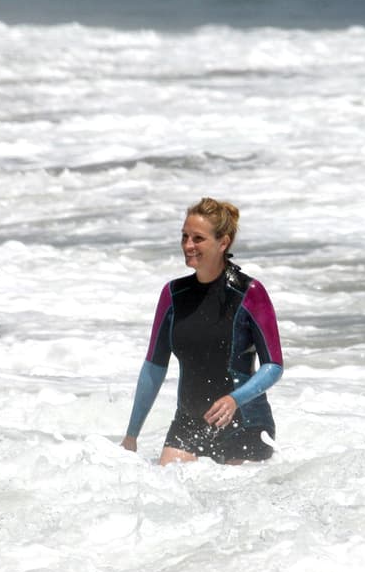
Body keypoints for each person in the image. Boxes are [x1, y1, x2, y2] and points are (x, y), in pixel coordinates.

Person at [121, 197, 283, 465]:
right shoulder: (172, 295)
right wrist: (131, 435)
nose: (188, 245)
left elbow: (274, 365)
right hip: (188, 424)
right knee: (164, 495)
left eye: (198, 238)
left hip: (244, 424)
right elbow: (154, 366)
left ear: (223, 242)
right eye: (184, 236)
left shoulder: (250, 294)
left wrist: (234, 399)